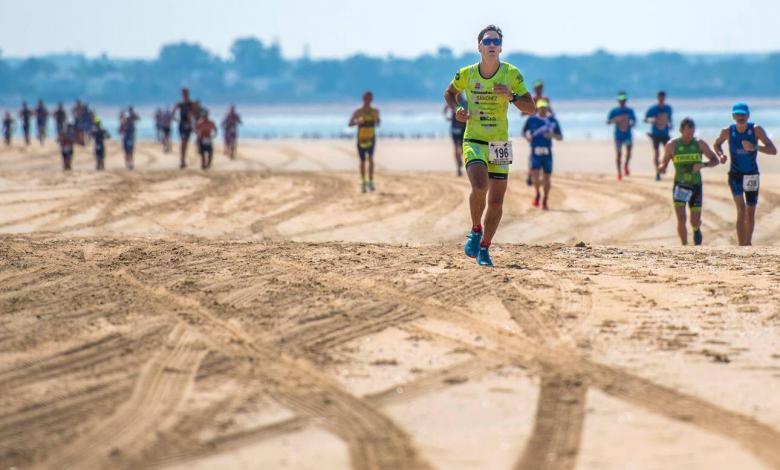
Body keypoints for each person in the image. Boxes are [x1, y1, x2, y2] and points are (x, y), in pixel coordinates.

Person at [444, 24, 535, 267]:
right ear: (479, 47)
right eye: (487, 41)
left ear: (501, 48)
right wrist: (458, 110)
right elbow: (449, 93)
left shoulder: (511, 74)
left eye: (496, 42)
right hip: (474, 138)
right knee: (480, 186)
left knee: (496, 202)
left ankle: (484, 247)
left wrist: (511, 96)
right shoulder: (466, 73)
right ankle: (475, 229)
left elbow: (531, 107)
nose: (492, 45)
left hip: (499, 143)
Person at [713, 102, 777, 246]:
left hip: (751, 176)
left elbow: (773, 150)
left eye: (743, 114)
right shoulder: (727, 131)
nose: (740, 117)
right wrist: (721, 155)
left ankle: (748, 244)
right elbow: (716, 144)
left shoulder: (756, 130)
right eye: (737, 115)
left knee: (750, 212)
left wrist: (755, 146)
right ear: (733, 116)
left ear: (748, 115)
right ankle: (741, 246)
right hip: (735, 175)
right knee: (741, 210)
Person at [657, 118, 720, 245]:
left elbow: (715, 160)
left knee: (694, 221)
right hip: (680, 186)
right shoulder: (672, 145)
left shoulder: (699, 144)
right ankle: (684, 246)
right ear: (681, 130)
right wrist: (661, 168)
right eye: (687, 133)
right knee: (681, 218)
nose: (690, 136)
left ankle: (696, 229)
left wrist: (703, 165)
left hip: (695, 185)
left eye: (692, 133)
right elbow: (663, 163)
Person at [523, 99, 562, 210]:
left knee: (547, 178)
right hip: (535, 152)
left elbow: (560, 137)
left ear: (547, 109)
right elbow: (524, 132)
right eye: (541, 108)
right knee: (535, 178)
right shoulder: (531, 120)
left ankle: (545, 198)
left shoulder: (552, 121)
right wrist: (527, 137)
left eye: (545, 108)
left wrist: (552, 136)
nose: (543, 110)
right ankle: (537, 194)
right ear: (537, 108)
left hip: (547, 153)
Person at [348, 91, 381, 192]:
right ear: (363, 98)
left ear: (371, 99)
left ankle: (371, 180)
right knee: (362, 160)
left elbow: (378, 123)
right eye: (366, 98)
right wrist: (358, 122)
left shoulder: (375, 111)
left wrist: (375, 121)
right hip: (361, 138)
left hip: (371, 137)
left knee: (371, 159)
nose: (367, 100)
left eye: (369, 98)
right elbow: (350, 124)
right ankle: (363, 181)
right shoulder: (358, 111)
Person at [524, 79, 553, 186]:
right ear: (534, 88)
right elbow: (523, 112)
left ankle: (540, 174)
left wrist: (550, 119)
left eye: (540, 87)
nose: (539, 89)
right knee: (532, 153)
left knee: (542, 152)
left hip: (544, 128)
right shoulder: (532, 98)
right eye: (537, 87)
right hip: (533, 128)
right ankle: (530, 174)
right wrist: (533, 114)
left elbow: (551, 112)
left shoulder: (545, 99)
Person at [607, 92, 636, 181]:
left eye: (623, 100)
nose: (622, 102)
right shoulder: (614, 111)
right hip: (618, 136)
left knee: (629, 153)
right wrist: (615, 120)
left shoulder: (630, 111)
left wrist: (631, 124)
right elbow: (608, 122)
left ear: (626, 101)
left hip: (627, 135)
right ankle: (619, 173)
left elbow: (634, 121)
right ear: (618, 101)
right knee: (619, 154)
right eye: (620, 100)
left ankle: (626, 166)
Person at [645, 91, 673, 181]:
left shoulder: (668, 108)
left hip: (665, 134)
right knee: (657, 154)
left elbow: (669, 119)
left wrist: (670, 125)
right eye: (660, 98)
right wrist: (651, 120)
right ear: (657, 98)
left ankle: (663, 166)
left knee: (669, 153)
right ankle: (657, 172)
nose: (661, 99)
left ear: (665, 98)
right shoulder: (653, 109)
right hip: (656, 134)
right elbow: (645, 119)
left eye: (663, 98)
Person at [171, 88, 196, 169]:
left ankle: (183, 159)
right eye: (183, 93)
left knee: (185, 143)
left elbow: (195, 114)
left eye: (186, 93)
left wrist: (193, 124)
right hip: (182, 125)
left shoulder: (191, 104)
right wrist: (175, 118)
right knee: (183, 142)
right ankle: (182, 160)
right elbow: (173, 111)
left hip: (189, 125)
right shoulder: (180, 104)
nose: (185, 95)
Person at [444, 93, 467, 176]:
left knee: (458, 148)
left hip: (457, 127)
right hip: (460, 127)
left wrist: (448, 117)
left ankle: (458, 164)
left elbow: (445, 110)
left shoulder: (454, 102)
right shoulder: (464, 102)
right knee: (460, 148)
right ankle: (458, 165)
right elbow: (445, 110)